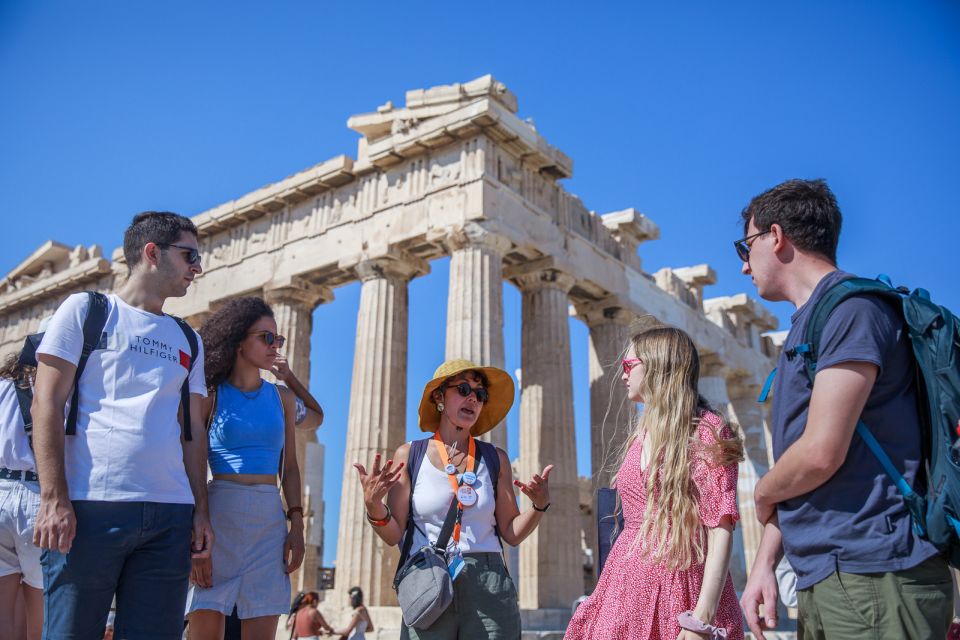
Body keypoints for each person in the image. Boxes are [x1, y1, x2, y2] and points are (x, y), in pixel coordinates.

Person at [736, 179, 952, 639]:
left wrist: (761, 492)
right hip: (832, 572)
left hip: (875, 570)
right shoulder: (810, 324)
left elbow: (819, 453)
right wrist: (764, 565)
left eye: (745, 246)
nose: (742, 266)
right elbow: (802, 474)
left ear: (776, 236)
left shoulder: (851, 311)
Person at [31, 211, 213, 639]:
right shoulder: (88, 311)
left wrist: (201, 511)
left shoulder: (190, 339)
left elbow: (194, 431)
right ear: (152, 253)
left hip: (169, 513)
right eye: (189, 255)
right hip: (91, 505)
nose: (198, 267)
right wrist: (53, 498)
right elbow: (47, 403)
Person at [565, 326, 744, 640]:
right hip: (623, 588)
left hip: (681, 587)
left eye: (628, 366)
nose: (623, 375)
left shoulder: (705, 431)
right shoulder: (641, 435)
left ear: (658, 365)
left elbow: (721, 526)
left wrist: (701, 618)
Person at [354, 359, 553, 639]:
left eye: (480, 394)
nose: (473, 397)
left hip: (489, 580)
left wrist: (539, 505)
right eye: (463, 389)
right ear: (439, 397)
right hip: (428, 578)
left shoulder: (496, 459)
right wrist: (374, 505)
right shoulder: (410, 455)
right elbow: (393, 533)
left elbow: (511, 532)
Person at [186, 296, 319, 639]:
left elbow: (289, 467)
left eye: (278, 339)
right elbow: (193, 463)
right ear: (238, 340)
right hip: (220, 514)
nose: (274, 346)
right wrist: (197, 525)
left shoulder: (282, 398)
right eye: (266, 338)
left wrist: (297, 525)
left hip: (268, 519)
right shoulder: (209, 395)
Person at [0, 353, 42, 640]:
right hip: (38, 494)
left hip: (0, 488)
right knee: (41, 612)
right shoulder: (61, 385)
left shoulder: (2, 384)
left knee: (6, 614)